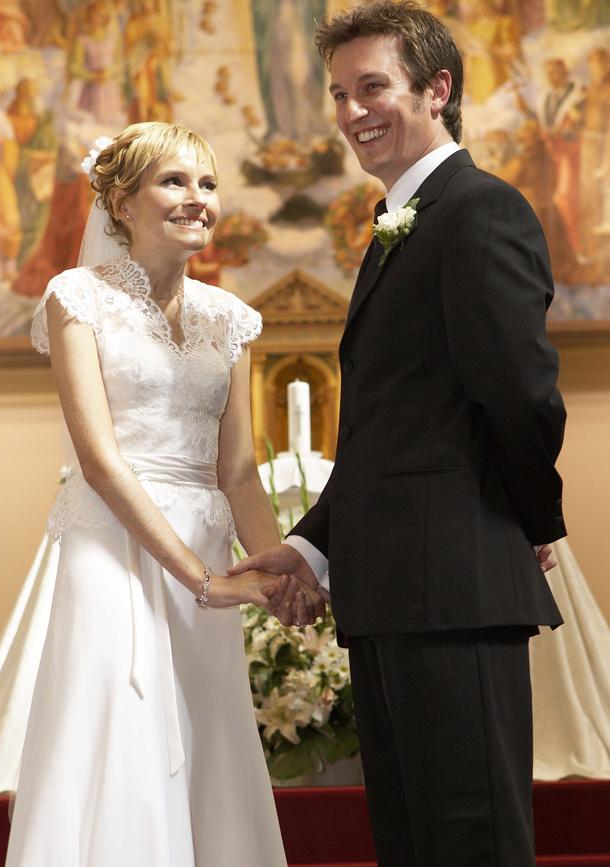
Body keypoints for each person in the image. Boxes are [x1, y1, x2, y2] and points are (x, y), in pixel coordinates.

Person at [230, 3, 567, 865]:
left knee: (472, 839)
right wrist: (311, 548)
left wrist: (535, 519)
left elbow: (523, 396)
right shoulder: (394, 226)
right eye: (340, 94)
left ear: (437, 89)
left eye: (371, 87)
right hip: (396, 597)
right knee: (415, 844)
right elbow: (392, 432)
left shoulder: (480, 210)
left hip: (453, 589)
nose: (350, 112)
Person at [5, 121, 322, 867]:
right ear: (120, 200)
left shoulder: (228, 317)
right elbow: (100, 459)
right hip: (113, 546)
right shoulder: (75, 297)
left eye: (207, 184)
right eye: (174, 182)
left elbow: (237, 469)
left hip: (208, 550)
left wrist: (276, 564)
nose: (198, 199)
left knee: (207, 735)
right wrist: (204, 579)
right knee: (120, 729)